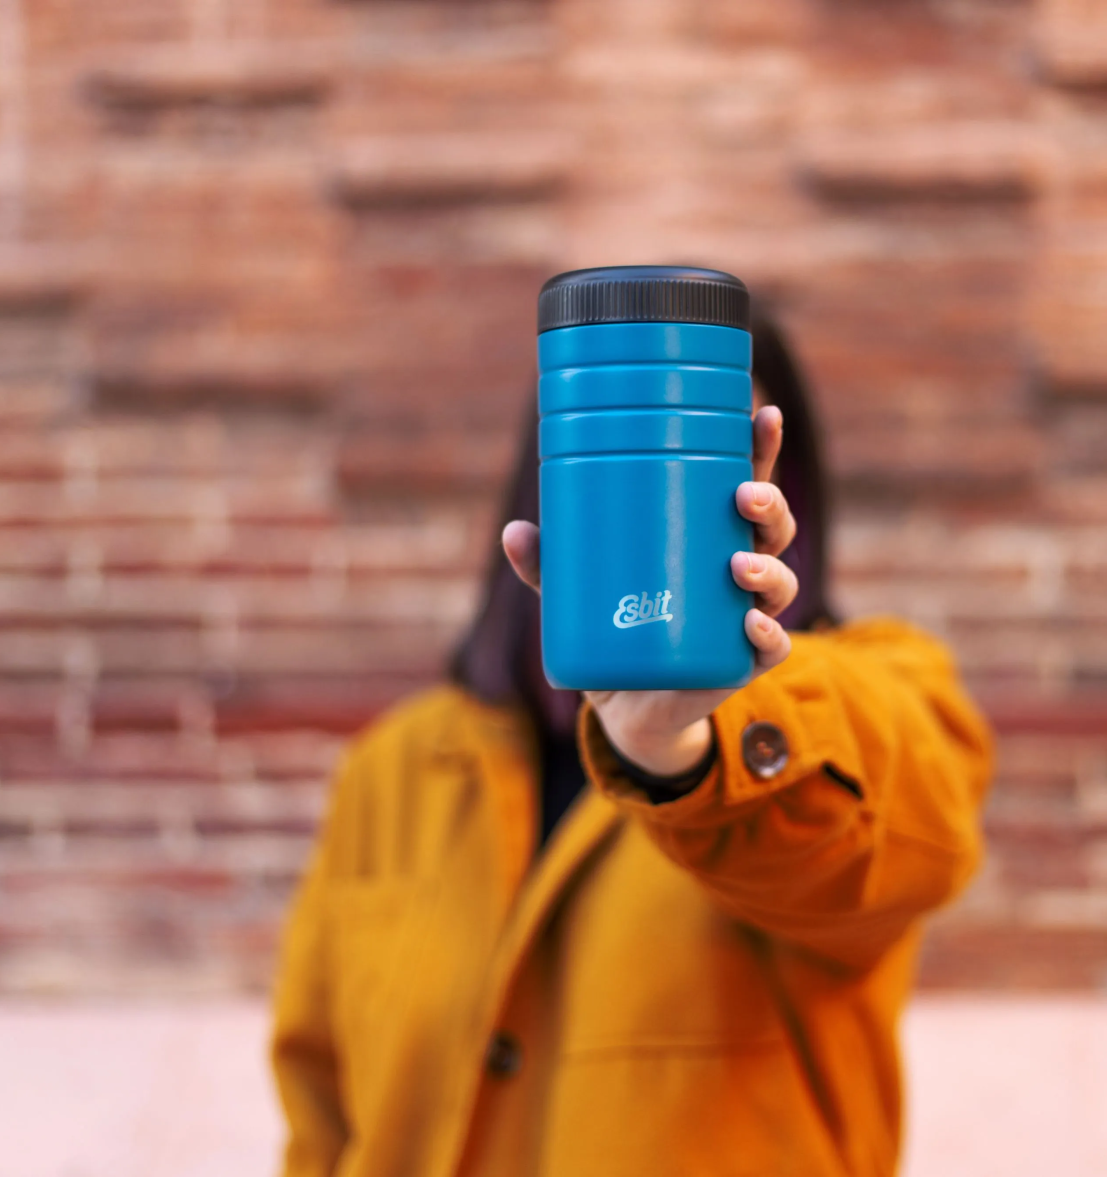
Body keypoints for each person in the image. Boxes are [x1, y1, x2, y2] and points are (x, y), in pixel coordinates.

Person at [270, 311, 993, 1177]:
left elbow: (915, 832)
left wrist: (687, 748)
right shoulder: (394, 767)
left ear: (777, 490)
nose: (666, 492)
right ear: (552, 470)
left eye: (707, 452)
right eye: (630, 437)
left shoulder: (871, 695)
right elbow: (320, 1109)